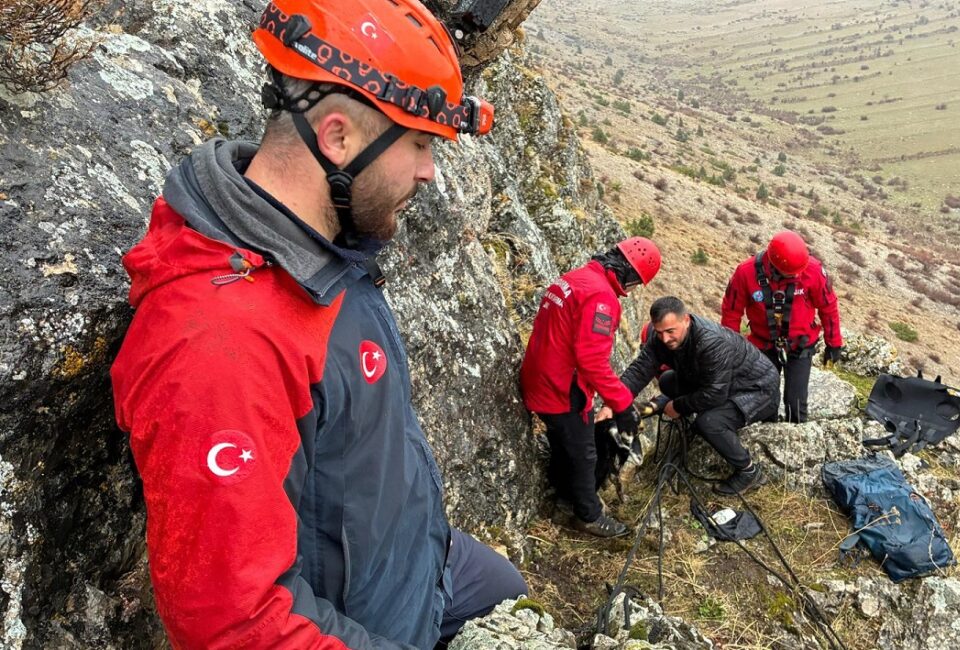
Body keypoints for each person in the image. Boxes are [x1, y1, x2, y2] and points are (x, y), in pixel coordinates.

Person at [110, 1, 525, 647]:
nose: (428, 171)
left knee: (511, 597)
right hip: (367, 624)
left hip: (421, 560)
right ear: (337, 138)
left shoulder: (320, 246)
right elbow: (236, 621)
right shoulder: (220, 344)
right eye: (418, 143)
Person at [520, 237, 661, 538]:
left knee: (564, 441)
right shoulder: (601, 298)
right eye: (636, 284)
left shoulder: (575, 278)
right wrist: (622, 405)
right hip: (560, 388)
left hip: (540, 375)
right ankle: (588, 514)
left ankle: (562, 494)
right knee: (584, 452)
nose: (632, 291)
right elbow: (592, 360)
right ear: (631, 274)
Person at [616, 297, 779, 496]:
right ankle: (663, 402)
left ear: (686, 320)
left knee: (708, 422)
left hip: (756, 388)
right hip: (717, 381)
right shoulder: (662, 339)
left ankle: (749, 472)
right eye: (659, 333)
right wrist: (614, 400)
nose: (665, 339)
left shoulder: (711, 342)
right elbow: (640, 369)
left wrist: (678, 406)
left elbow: (715, 394)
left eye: (670, 332)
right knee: (667, 380)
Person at [720, 230, 843, 424]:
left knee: (796, 402)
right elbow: (731, 312)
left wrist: (834, 343)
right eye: (792, 273)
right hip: (763, 344)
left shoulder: (812, 271)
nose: (797, 275)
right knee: (764, 398)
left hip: (800, 345)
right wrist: (732, 350)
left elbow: (828, 307)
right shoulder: (746, 273)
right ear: (774, 265)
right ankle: (768, 432)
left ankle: (797, 439)